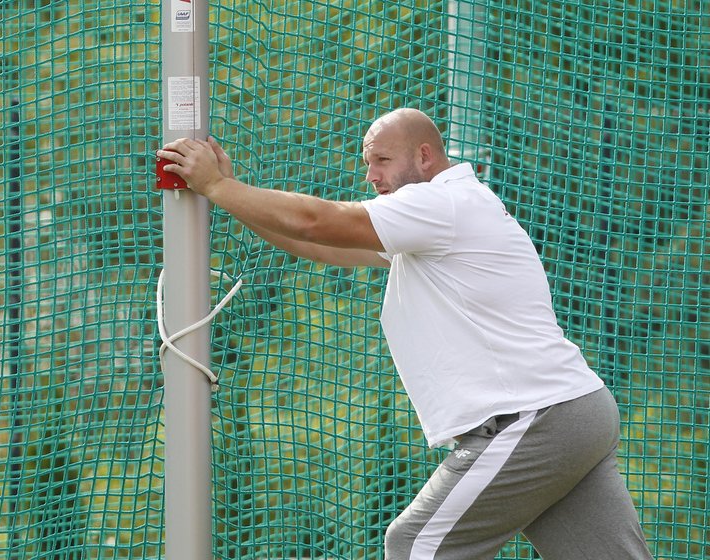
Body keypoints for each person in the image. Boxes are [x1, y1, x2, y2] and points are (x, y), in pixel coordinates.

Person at [157, 108, 653, 559]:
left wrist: (217, 189)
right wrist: (229, 187)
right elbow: (320, 244)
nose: (371, 176)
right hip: (575, 414)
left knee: (417, 546)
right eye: (366, 163)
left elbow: (313, 220)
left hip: (535, 420)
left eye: (382, 160)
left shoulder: (442, 203)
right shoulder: (437, 218)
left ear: (424, 155)